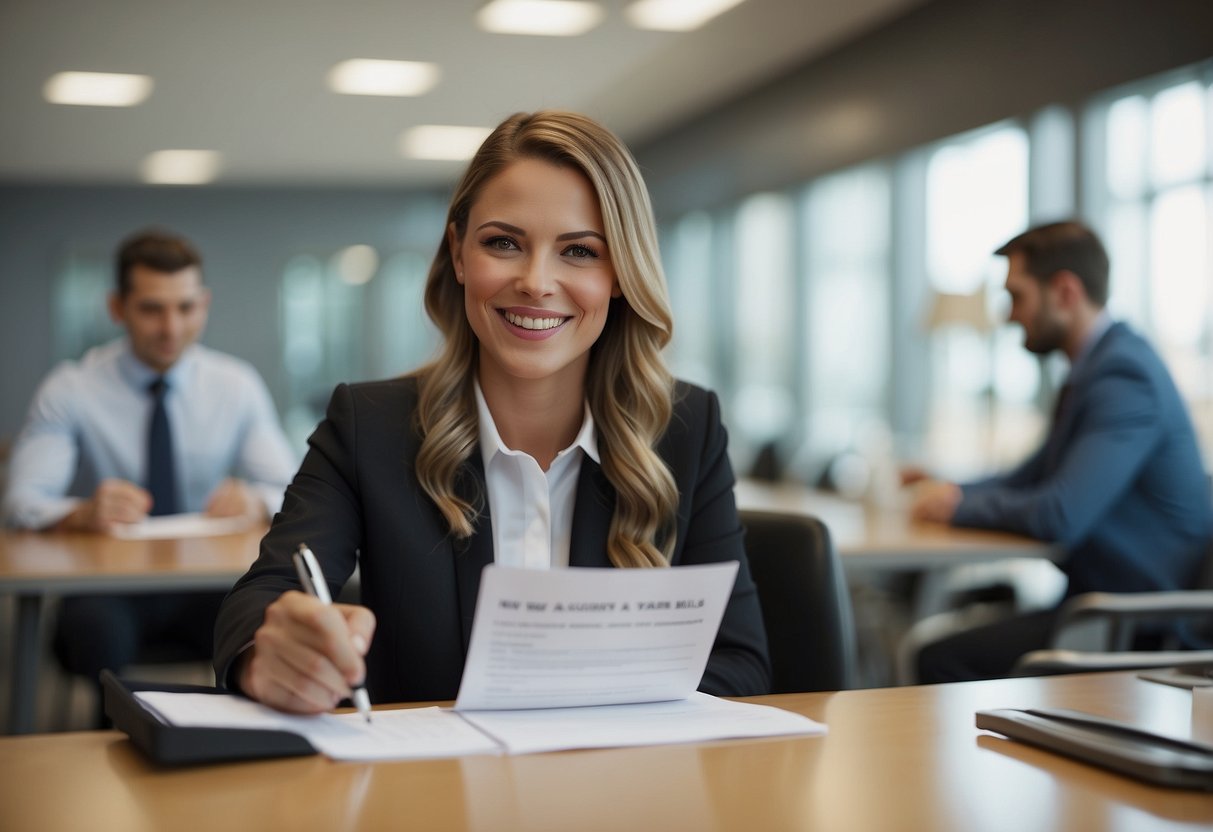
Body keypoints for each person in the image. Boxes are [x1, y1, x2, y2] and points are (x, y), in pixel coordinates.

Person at [213, 110, 771, 713]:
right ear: (458, 254)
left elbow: (740, 663)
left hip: (617, 792)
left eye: (579, 251)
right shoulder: (367, 425)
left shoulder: (686, 429)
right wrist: (269, 649)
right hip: (430, 796)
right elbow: (261, 599)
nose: (536, 282)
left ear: (619, 274)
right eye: (503, 243)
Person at [2, 228, 298, 714]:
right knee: (95, 634)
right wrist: (82, 512)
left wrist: (255, 499)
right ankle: (110, 751)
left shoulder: (235, 384)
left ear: (204, 304)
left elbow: (291, 490)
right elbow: (22, 502)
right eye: (151, 309)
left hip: (208, 583)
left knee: (268, 621)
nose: (171, 327)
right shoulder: (72, 387)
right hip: (110, 587)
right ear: (117, 308)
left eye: (185, 308)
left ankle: (235, 748)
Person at [909, 220, 1212, 682]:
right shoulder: (1094, 369)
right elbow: (1028, 477)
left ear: (1065, 293)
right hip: (1100, 607)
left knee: (936, 655)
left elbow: (1060, 513)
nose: (1009, 315)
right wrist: (950, 489)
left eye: (1017, 296)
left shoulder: (1123, 376)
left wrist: (959, 506)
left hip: (1136, 624)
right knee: (944, 641)